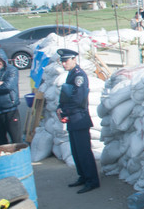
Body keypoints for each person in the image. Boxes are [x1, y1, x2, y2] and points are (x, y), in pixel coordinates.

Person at [56, 48, 100, 194]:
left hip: (79, 118)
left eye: (66, 61)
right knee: (75, 151)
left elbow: (78, 99)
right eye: (62, 61)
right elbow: (66, 95)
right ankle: (83, 176)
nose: (63, 64)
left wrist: (65, 111)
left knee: (84, 152)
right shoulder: (71, 75)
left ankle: (92, 180)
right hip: (72, 119)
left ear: (74, 59)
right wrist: (60, 107)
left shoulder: (79, 76)